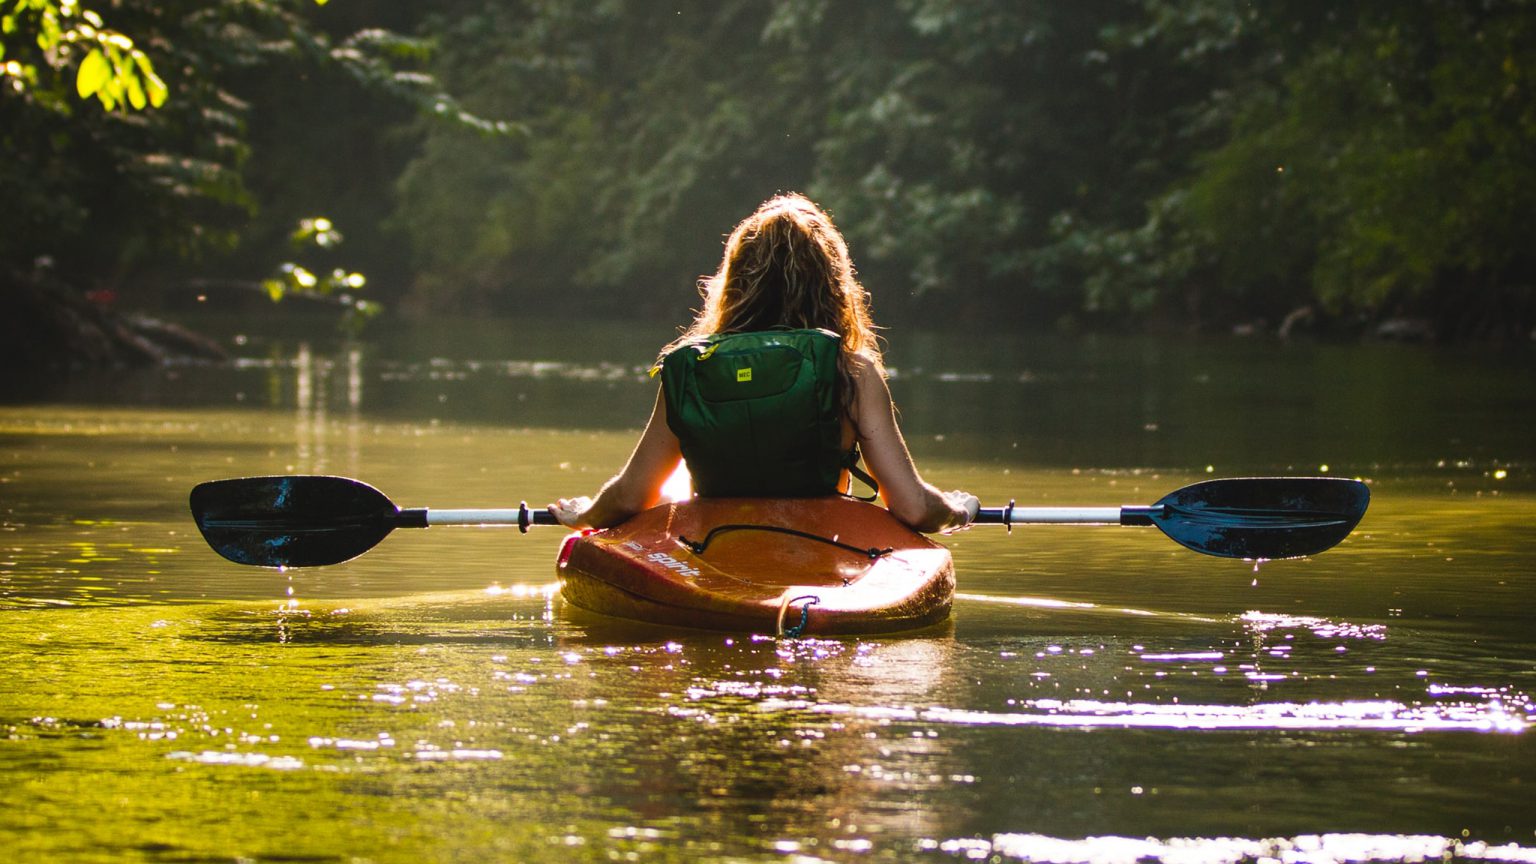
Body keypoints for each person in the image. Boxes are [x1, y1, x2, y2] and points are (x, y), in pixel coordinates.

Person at [548, 193, 978, 534]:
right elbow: (914, 508)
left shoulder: (693, 368)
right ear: (832, 284)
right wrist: (957, 510)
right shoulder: (853, 372)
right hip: (822, 544)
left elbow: (629, 497)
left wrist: (587, 514)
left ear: (735, 281)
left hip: (713, 544)